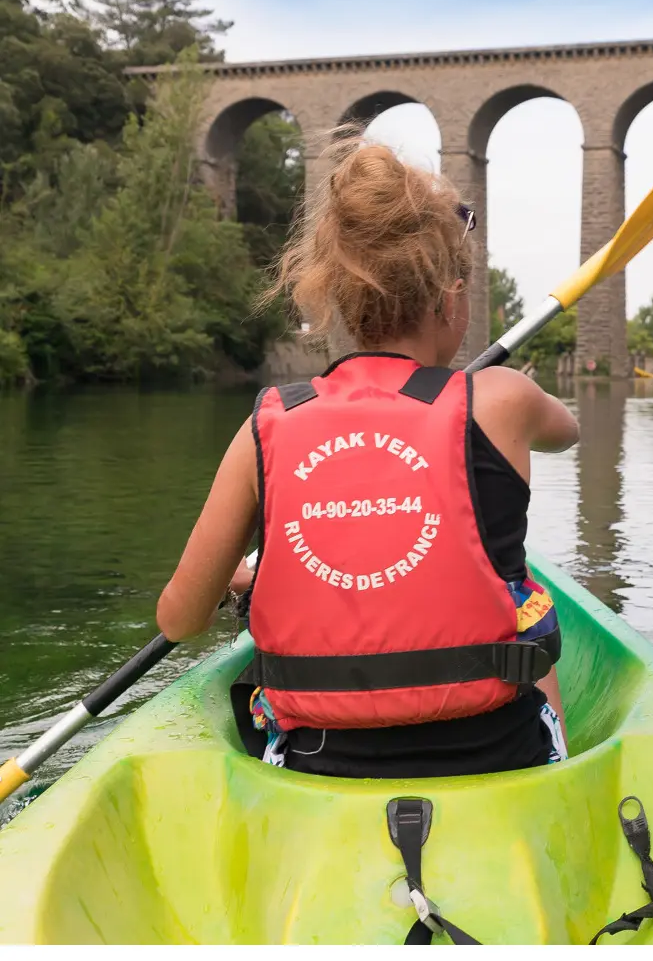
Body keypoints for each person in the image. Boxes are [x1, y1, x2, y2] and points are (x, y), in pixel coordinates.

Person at [156, 133, 580, 779]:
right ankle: (559, 778)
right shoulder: (503, 400)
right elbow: (567, 431)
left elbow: (179, 618)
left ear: (343, 303)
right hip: (497, 755)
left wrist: (247, 577)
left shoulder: (267, 426)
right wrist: (471, 388)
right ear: (447, 300)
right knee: (526, 599)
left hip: (321, 766)